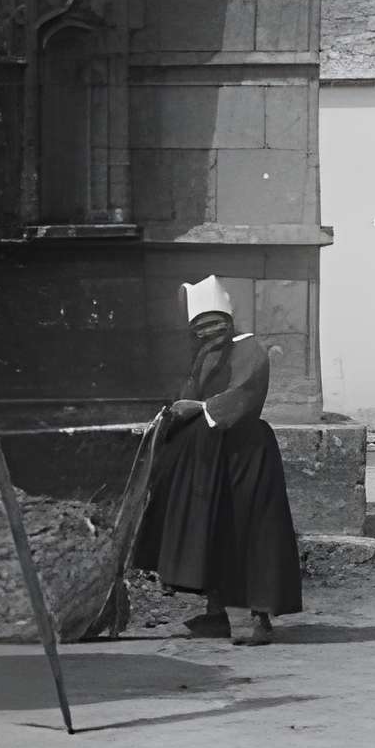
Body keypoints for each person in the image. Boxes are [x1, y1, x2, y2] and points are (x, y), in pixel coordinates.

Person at [131, 275, 303, 645]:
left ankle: (258, 620)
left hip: (246, 454)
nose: (209, 332)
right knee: (214, 529)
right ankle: (217, 614)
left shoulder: (250, 350)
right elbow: (187, 396)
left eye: (214, 324)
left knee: (251, 530)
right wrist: (168, 417)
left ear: (228, 320)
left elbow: (242, 395)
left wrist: (198, 407)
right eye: (201, 327)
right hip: (210, 458)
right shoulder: (206, 355)